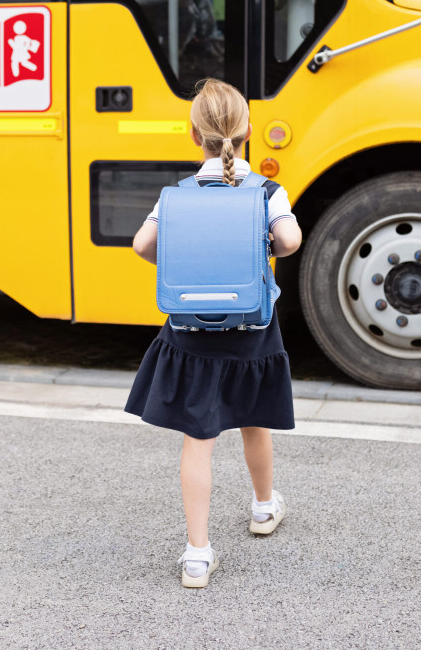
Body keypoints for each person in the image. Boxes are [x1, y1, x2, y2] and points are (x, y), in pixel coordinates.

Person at [125, 78, 303, 589]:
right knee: (254, 422)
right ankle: (264, 507)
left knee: (197, 441)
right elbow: (288, 240)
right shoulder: (266, 192)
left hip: (190, 337)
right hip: (252, 332)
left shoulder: (176, 198)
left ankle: (197, 555)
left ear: (193, 135)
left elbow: (142, 246)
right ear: (248, 131)